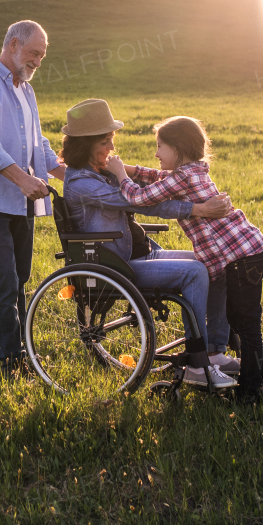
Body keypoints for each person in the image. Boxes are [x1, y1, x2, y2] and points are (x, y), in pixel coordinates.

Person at [59, 98, 237, 389]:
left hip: (137, 253)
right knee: (195, 272)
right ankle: (196, 361)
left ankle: (215, 352)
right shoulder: (81, 183)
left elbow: (150, 188)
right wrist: (198, 209)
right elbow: (142, 203)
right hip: (116, 266)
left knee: (212, 261)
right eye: (105, 142)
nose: (112, 148)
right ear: (87, 144)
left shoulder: (100, 173)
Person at [105, 115, 263, 402]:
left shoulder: (183, 177)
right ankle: (258, 381)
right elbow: (159, 178)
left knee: (246, 323)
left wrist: (121, 176)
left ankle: (254, 389)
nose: (157, 153)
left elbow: (141, 198)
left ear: (178, 148)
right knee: (243, 320)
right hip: (246, 253)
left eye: (160, 146)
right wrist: (132, 169)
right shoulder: (190, 172)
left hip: (241, 257)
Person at [0, 20, 65, 376]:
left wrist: (75, 175)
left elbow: (39, 145)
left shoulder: (27, 91)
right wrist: (23, 180)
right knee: (3, 279)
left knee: (20, 277)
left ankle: (22, 354)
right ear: (14, 44)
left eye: (42, 56)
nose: (38, 61)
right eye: (35, 53)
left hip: (22, 200)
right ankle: (11, 360)